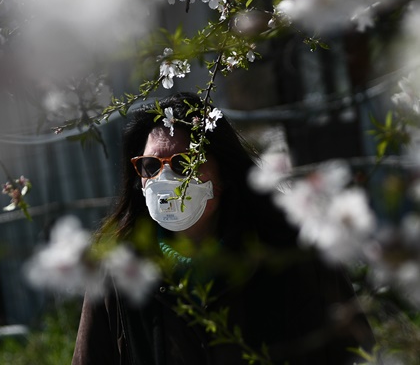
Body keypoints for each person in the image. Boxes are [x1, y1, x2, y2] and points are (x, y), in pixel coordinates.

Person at [72, 92, 373, 364]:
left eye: (184, 164)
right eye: (151, 165)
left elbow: (354, 351)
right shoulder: (116, 269)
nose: (166, 179)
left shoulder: (291, 250)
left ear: (224, 173)